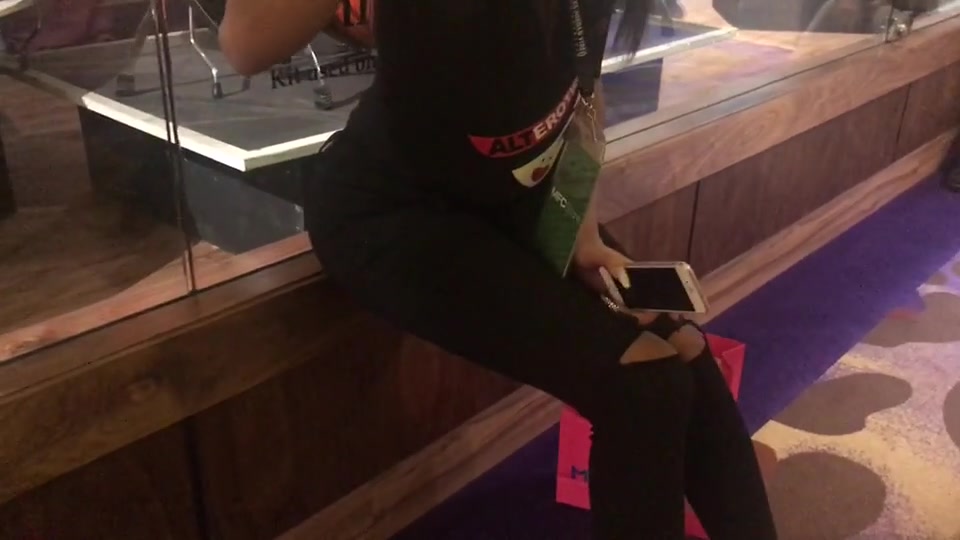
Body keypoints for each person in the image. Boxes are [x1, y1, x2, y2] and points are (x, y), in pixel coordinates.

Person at [219, 1, 777, 538]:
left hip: (518, 195)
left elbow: (581, 85)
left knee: (683, 351)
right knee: (641, 384)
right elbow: (245, 46)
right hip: (393, 209)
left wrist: (581, 229)